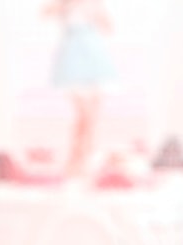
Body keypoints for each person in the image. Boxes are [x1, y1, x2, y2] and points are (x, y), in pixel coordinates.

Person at [43, 0, 116, 177]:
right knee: (83, 114)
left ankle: (83, 158)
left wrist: (97, 11)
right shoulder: (65, 4)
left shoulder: (94, 4)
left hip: (95, 57)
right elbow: (46, 13)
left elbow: (108, 26)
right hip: (73, 59)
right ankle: (76, 159)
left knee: (92, 115)